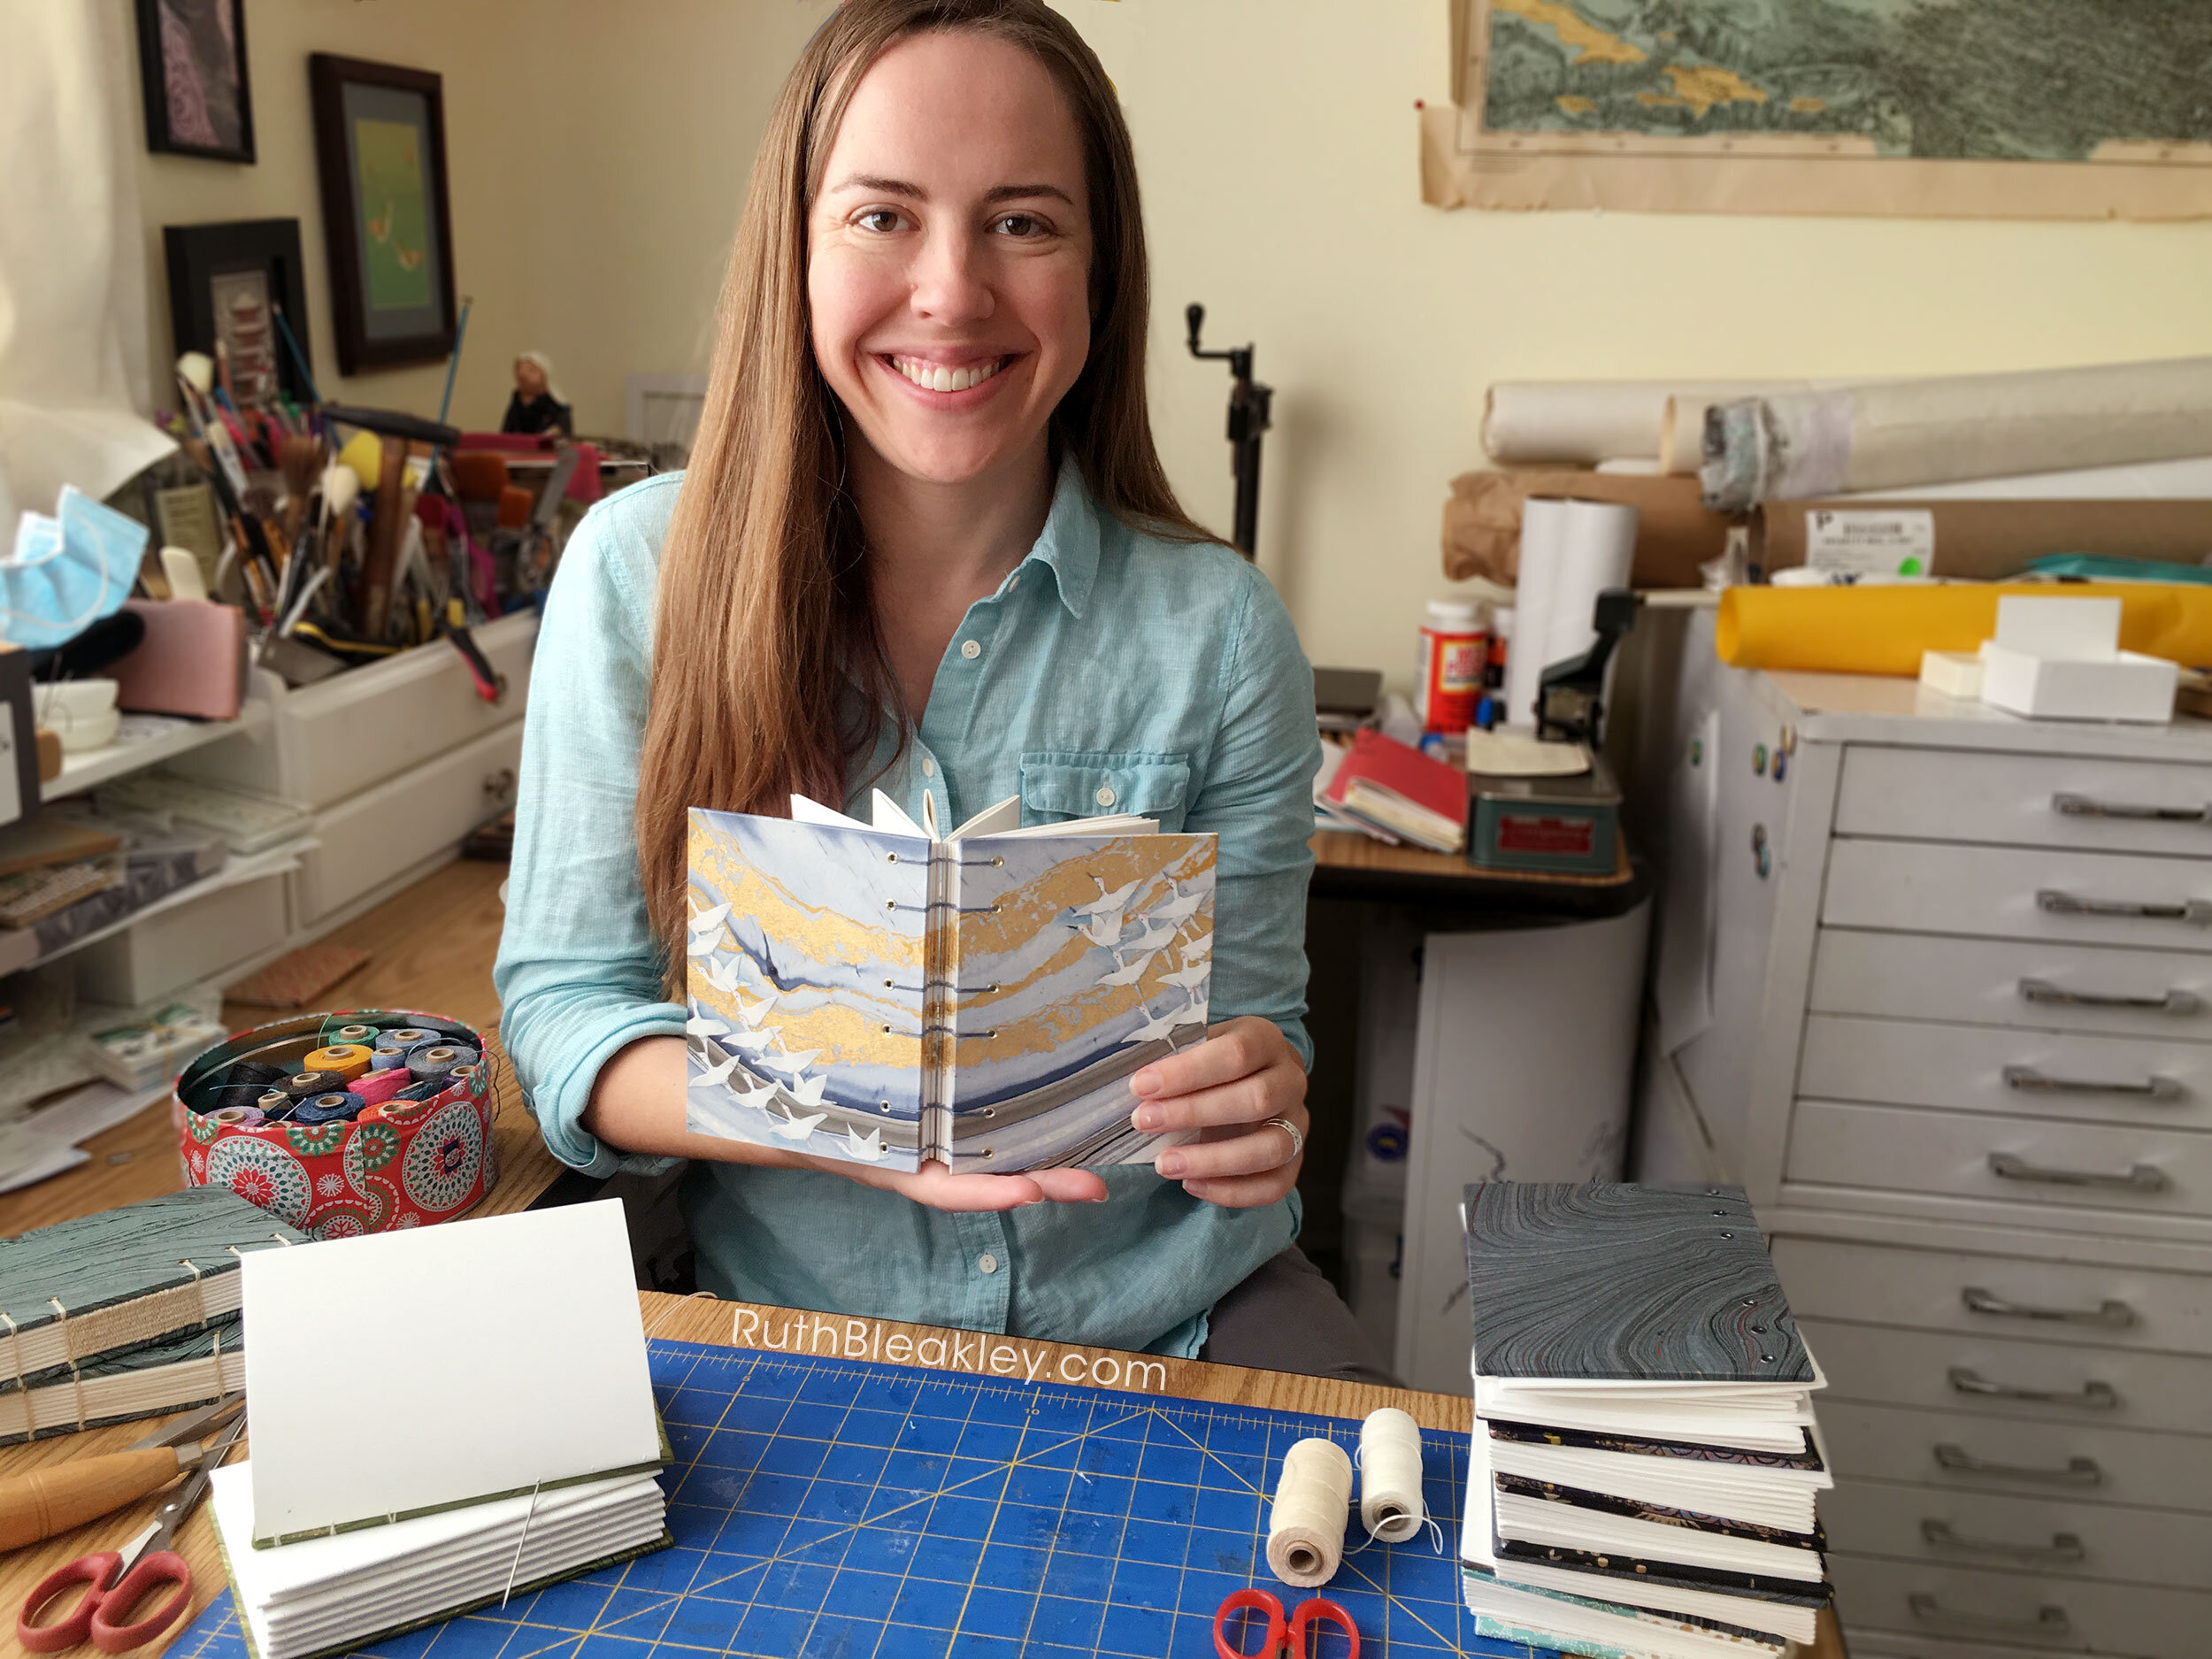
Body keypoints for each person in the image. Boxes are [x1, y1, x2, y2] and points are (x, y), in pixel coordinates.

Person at [495, 0, 1386, 1382]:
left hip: (1176, 1312)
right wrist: (846, 1116)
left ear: (1102, 269)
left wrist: (1263, 1086)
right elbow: (568, 1020)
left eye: (1024, 222)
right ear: (795, 247)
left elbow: (1268, 1028)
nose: (954, 291)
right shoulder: (637, 577)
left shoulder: (1221, 632)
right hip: (799, 1326)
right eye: (882, 216)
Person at [500, 350, 572, 437]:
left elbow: (564, 442)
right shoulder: (516, 403)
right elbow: (506, 435)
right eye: (519, 369)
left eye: (531, 370)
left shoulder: (558, 407)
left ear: (544, 375)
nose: (523, 375)